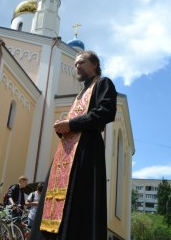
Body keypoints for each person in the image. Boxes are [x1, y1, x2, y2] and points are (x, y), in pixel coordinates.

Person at [30, 50, 117, 240]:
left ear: (94, 64)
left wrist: (70, 124)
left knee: (79, 201)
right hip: (67, 154)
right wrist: (63, 128)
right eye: (75, 63)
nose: (76, 66)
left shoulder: (103, 83)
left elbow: (106, 112)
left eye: (81, 62)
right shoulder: (79, 95)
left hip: (86, 151)